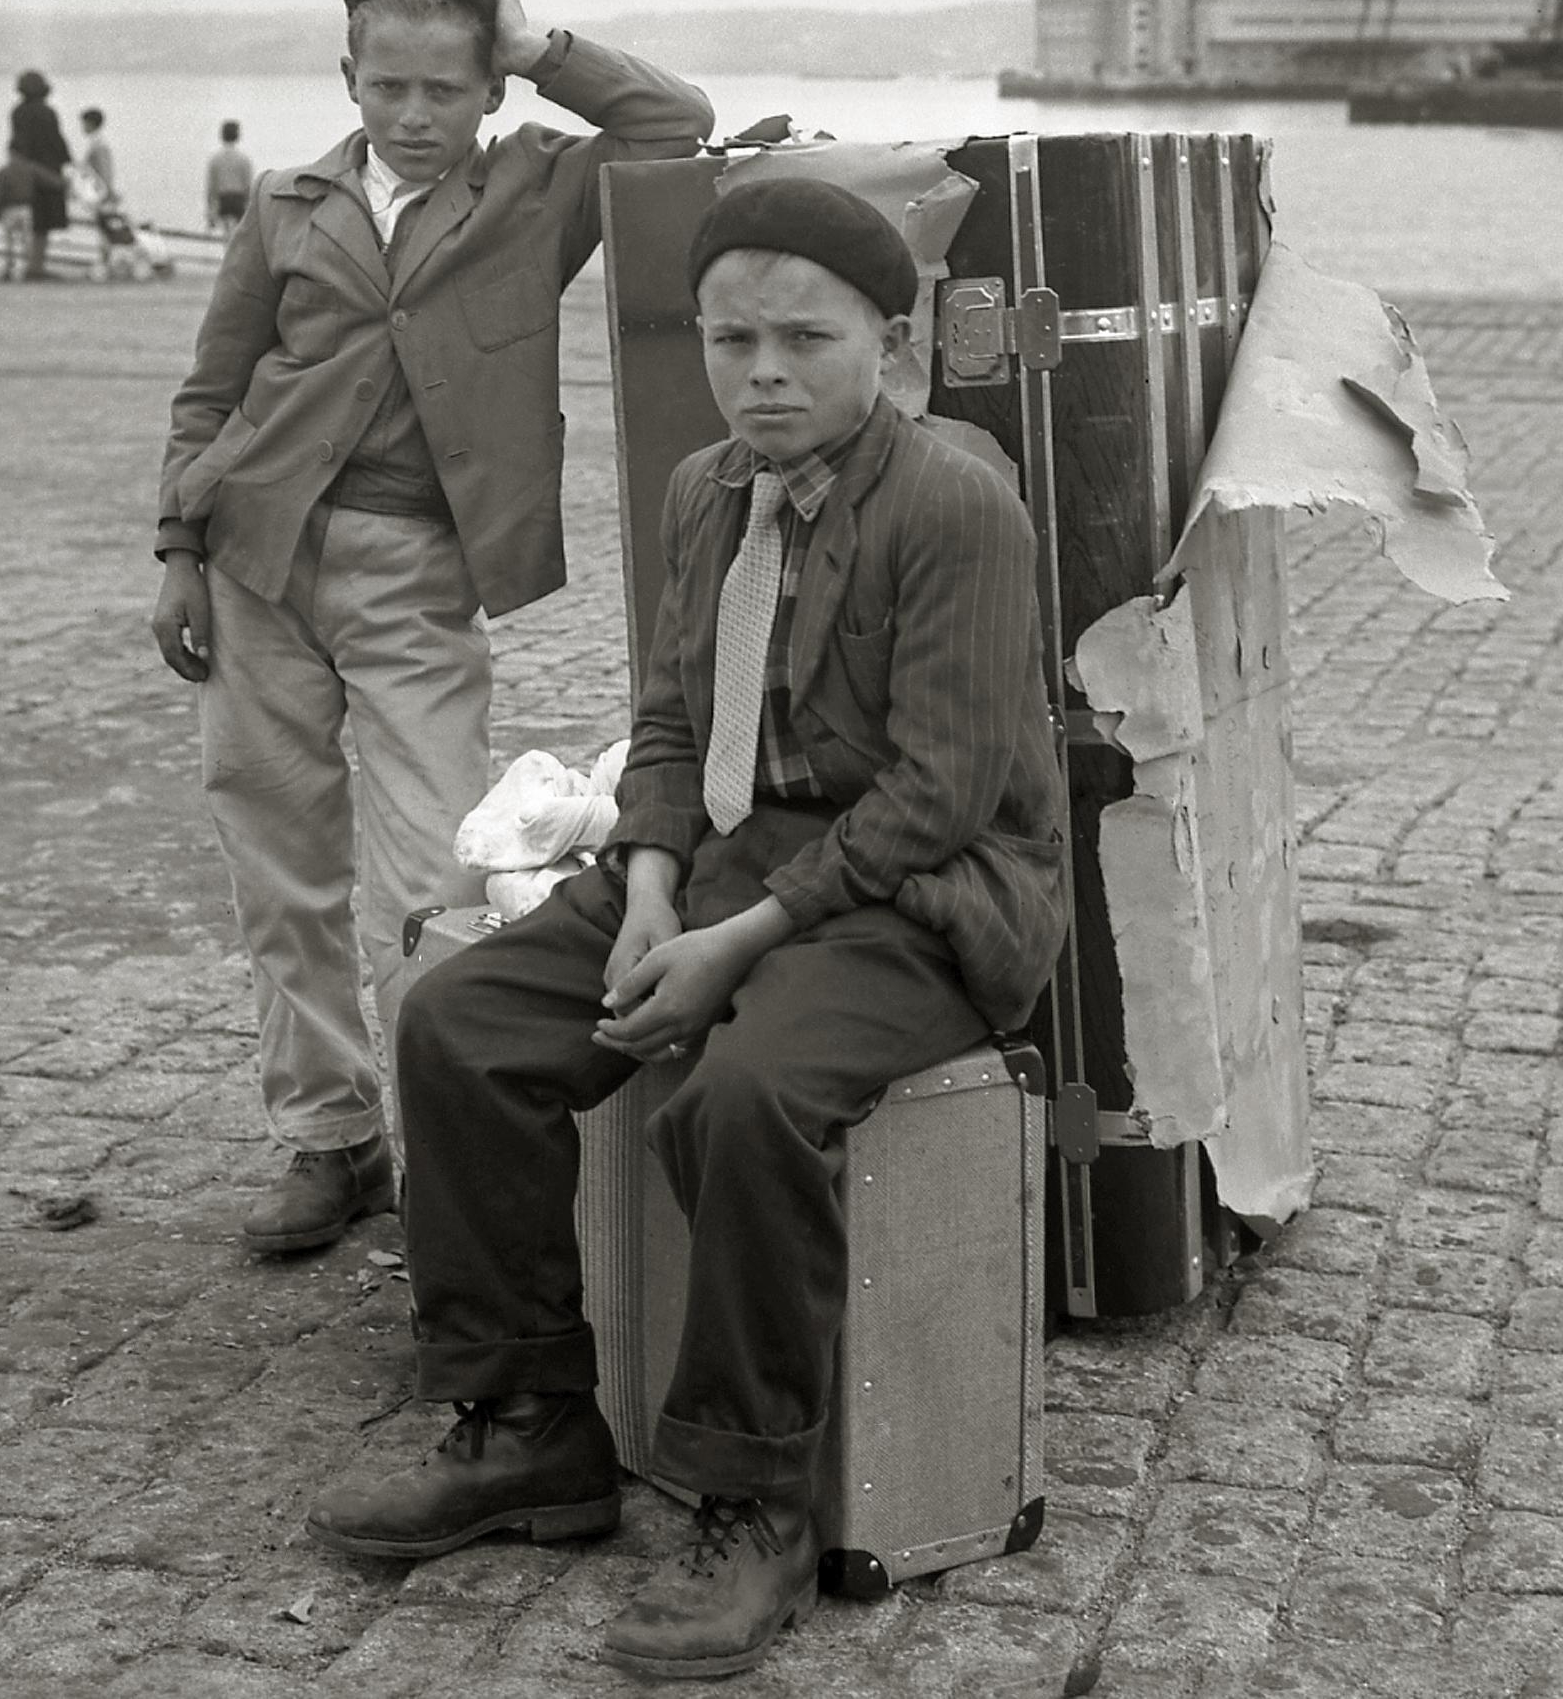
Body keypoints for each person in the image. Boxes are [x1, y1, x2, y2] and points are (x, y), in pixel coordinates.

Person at [306, 178, 1068, 1682]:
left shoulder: (953, 501)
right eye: (732, 340)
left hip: (918, 897)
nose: (764, 372)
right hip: (722, 862)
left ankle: (752, 1497)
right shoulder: (704, 489)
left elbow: (938, 793)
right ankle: (534, 1427)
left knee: (747, 1092)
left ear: (889, 342)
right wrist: (651, 887)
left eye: (804, 337)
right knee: (459, 1024)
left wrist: (737, 945)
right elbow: (669, 724)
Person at [149, 0, 713, 1259]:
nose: (413, 115)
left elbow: (670, 123)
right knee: (280, 873)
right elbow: (210, 390)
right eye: (387, 86)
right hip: (253, 566)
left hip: (416, 572)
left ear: (488, 95)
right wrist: (178, 545)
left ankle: (443, 1161)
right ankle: (326, 1139)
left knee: (436, 875)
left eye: (446, 88)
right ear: (348, 79)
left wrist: (533, 42)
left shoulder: (536, 191)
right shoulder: (287, 206)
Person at [8, 70, 72, 281]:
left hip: (25, 169)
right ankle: (37, 266)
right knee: (43, 224)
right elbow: (56, 141)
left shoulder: (17, 112)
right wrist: (68, 163)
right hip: (48, 169)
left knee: (32, 221)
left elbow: (17, 143)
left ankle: (29, 264)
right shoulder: (47, 112)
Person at [0, 149, 44, 282]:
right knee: (27, 241)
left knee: (10, 242)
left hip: (9, 209)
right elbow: (49, 179)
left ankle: (9, 269)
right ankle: (28, 269)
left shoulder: (4, 171)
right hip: (26, 208)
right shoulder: (30, 169)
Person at [204, 120, 254, 235]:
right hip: (238, 200)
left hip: (223, 200)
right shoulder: (244, 159)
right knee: (239, 235)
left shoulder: (215, 159)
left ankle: (227, 249)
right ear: (237, 136)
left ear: (222, 136)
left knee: (226, 233)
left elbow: (211, 188)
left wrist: (210, 214)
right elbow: (248, 187)